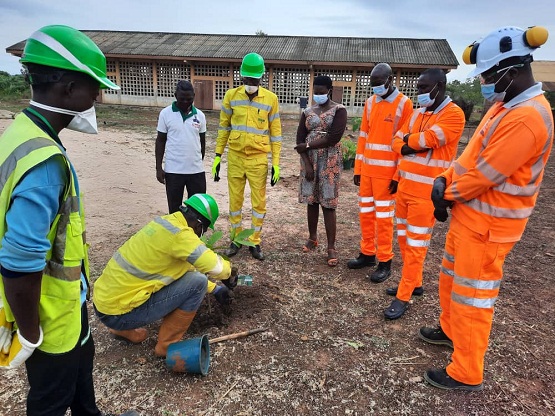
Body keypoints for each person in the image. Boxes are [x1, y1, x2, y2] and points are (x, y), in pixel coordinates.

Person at [0, 25, 137, 416]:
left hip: (70, 309)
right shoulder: (43, 165)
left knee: (81, 393)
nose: (98, 95)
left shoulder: (22, 135)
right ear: (67, 87)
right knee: (50, 401)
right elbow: (18, 263)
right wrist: (29, 332)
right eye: (93, 86)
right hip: (50, 321)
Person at [421, 25, 553, 391]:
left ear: (512, 71)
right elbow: (469, 158)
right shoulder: (503, 106)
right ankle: (450, 332)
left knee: (473, 298)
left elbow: (486, 175)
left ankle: (466, 370)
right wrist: (444, 179)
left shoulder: (527, 117)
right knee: (451, 282)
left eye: (489, 75)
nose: (484, 82)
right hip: (471, 218)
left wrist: (447, 193)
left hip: (489, 227)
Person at [93, 194, 236, 358]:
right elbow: (216, 268)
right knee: (198, 283)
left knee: (196, 280)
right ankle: (167, 346)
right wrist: (230, 272)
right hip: (118, 313)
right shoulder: (181, 236)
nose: (201, 234)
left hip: (105, 303)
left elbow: (182, 268)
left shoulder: (165, 224)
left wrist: (216, 289)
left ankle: (121, 329)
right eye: (203, 230)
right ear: (199, 225)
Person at [384, 68, 465, 320]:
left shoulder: (454, 114)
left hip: (426, 194)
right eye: (418, 87)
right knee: (405, 242)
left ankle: (404, 295)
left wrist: (409, 142)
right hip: (406, 189)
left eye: (423, 87)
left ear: (439, 85)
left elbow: (432, 138)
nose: (419, 92)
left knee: (416, 245)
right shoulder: (417, 113)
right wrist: (408, 143)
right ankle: (415, 282)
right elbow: (395, 142)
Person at [212, 52, 282, 261]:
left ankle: (254, 240)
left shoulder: (271, 99)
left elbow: (276, 134)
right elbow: (223, 128)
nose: (250, 83)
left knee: (258, 203)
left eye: (254, 79)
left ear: (260, 78)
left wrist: (276, 164)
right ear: (242, 77)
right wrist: (217, 156)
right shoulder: (231, 96)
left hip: (258, 159)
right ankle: (235, 239)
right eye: (247, 79)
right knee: (235, 201)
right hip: (235, 157)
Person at [347, 63, 413, 281]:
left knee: (384, 219)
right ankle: (367, 254)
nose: (375, 88)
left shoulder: (404, 105)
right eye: (372, 84)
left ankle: (385, 261)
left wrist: (397, 176)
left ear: (390, 80)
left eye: (378, 84)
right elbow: (363, 136)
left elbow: (405, 145)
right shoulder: (370, 103)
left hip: (387, 176)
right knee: (366, 215)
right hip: (367, 172)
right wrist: (358, 168)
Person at [294, 75, 347, 267]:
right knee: (312, 201)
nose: (317, 95)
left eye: (321, 92)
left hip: (329, 161)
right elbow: (299, 140)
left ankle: (331, 247)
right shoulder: (307, 112)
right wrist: (307, 163)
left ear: (329, 91)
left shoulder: (339, 110)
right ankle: (312, 238)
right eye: (315, 92)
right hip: (310, 161)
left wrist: (307, 146)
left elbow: (333, 138)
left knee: (328, 203)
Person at [156, 80, 207, 214]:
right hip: (173, 172)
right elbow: (160, 141)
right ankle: (176, 235)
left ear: (194, 96)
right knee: (174, 210)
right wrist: (158, 168)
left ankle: (194, 235)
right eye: (182, 99)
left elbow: (202, 142)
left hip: (196, 172)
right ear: (175, 95)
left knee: (197, 210)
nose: (185, 102)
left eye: (189, 99)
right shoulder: (165, 114)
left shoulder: (200, 116)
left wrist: (197, 162)